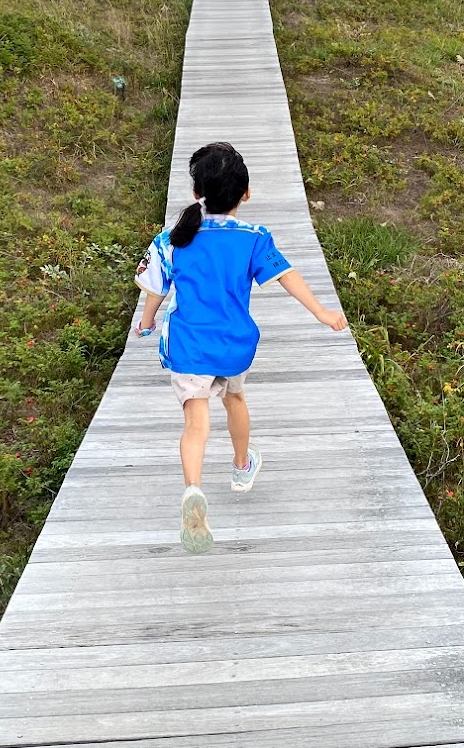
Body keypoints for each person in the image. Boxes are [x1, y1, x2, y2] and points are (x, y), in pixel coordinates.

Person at [134, 142, 348, 552]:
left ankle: (193, 489)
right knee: (235, 399)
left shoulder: (171, 239)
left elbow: (155, 292)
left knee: (196, 424)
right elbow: (287, 276)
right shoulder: (253, 238)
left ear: (197, 193)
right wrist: (322, 312)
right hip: (234, 347)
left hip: (189, 347)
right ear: (245, 194)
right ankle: (240, 467)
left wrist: (145, 324)